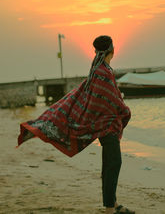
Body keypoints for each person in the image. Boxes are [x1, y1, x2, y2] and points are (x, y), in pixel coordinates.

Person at [17, 35, 135, 214]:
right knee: (114, 163)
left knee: (109, 164)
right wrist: (125, 110)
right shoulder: (102, 71)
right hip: (107, 125)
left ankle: (114, 204)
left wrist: (118, 107)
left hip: (107, 123)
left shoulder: (101, 69)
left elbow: (98, 96)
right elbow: (108, 99)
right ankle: (111, 209)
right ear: (112, 49)